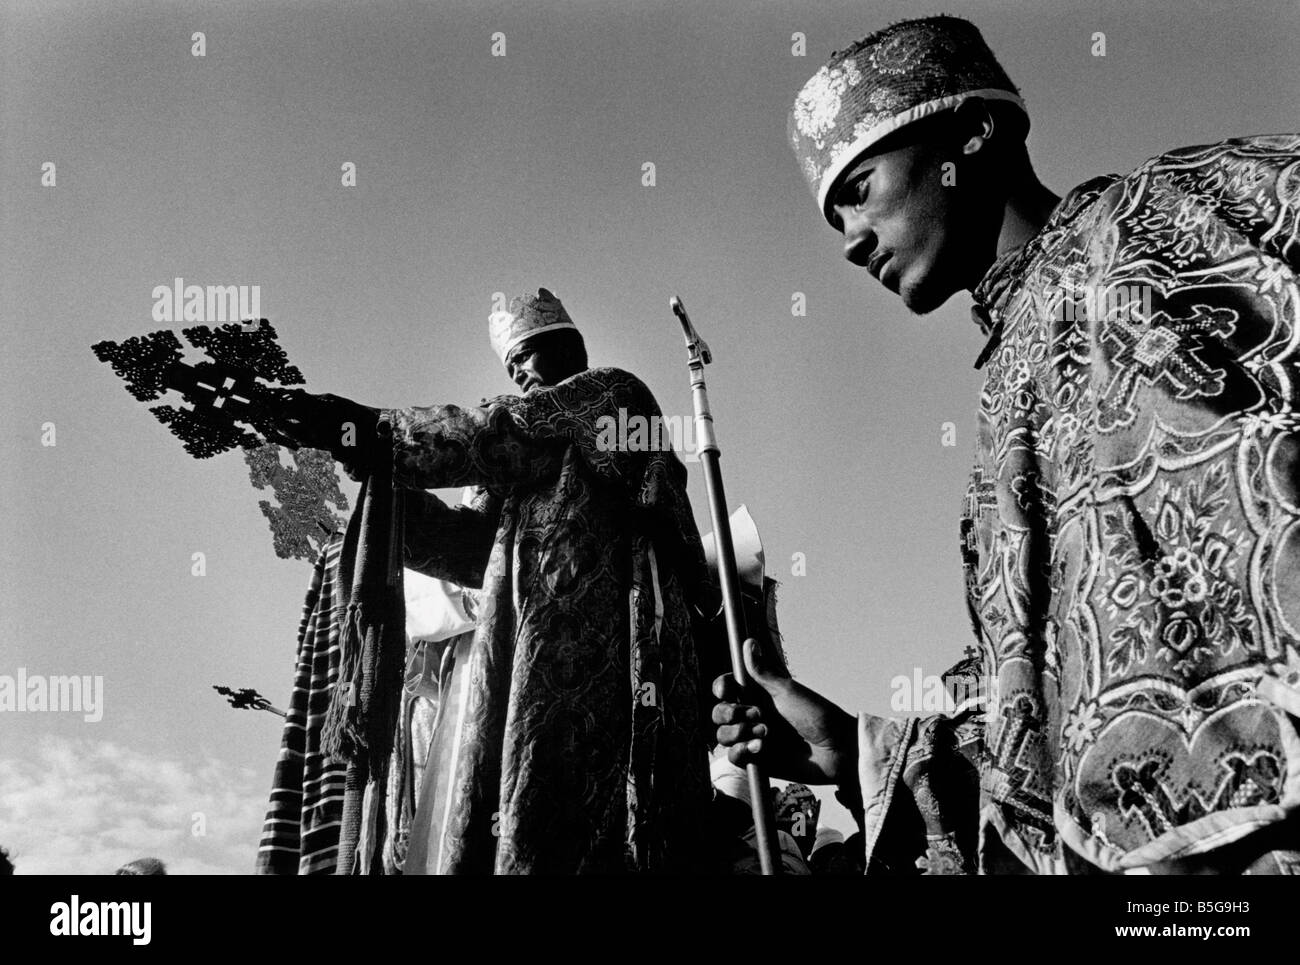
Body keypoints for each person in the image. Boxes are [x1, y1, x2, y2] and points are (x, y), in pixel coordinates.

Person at [716, 15, 1300, 874]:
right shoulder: (1000, 440)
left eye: (862, 185)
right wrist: (851, 748)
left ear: (976, 132)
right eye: (833, 210)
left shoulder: (1177, 208)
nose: (849, 240)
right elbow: (1028, 741)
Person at [267, 289, 714, 873]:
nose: (520, 371)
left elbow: (508, 430)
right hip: (520, 660)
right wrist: (389, 492)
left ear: (571, 346)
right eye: (511, 363)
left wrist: (379, 431)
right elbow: (466, 550)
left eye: (529, 353)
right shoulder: (517, 462)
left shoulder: (612, 395)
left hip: (618, 651)